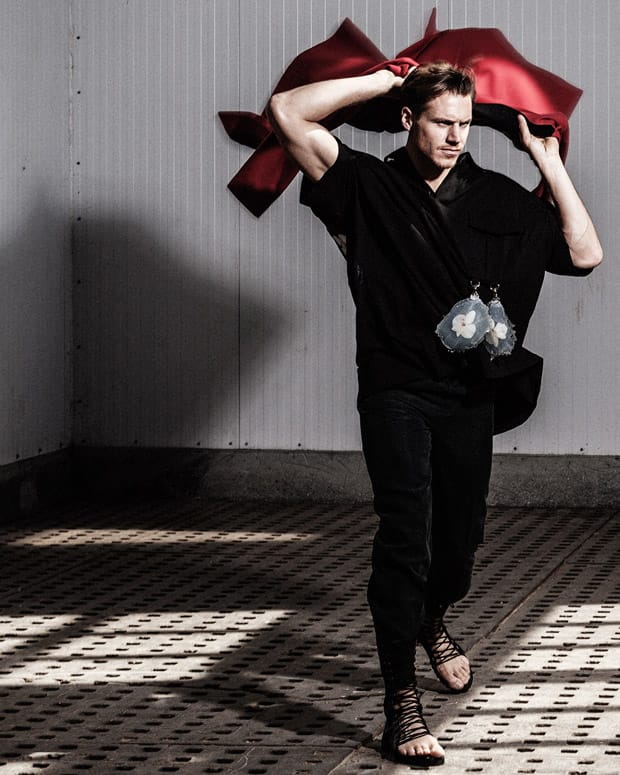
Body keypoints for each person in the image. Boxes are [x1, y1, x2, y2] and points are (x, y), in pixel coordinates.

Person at [267, 62, 602, 767]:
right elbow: (288, 112)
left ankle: (431, 617)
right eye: (442, 121)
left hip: (467, 393)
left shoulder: (495, 197)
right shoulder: (369, 186)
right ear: (407, 119)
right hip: (395, 386)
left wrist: (546, 160)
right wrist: (382, 78)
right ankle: (400, 703)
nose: (456, 136)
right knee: (404, 535)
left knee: (458, 543)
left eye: (465, 123)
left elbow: (584, 251)